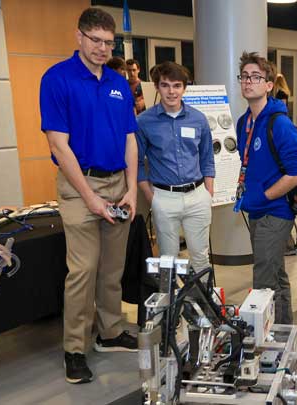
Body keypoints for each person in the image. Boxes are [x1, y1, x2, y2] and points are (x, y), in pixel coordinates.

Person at [40, 7, 138, 384]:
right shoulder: (57, 79)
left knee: (112, 268)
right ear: (78, 36)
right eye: (95, 40)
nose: (101, 48)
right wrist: (90, 198)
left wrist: (130, 189)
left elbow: (130, 139)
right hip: (80, 186)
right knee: (83, 270)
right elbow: (58, 145)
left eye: (108, 42)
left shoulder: (117, 82)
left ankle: (110, 332)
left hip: (118, 184)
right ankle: (75, 348)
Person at [235, 52, 297, 325]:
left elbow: (295, 175)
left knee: (262, 279)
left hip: (275, 211)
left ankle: (263, 342)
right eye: (244, 77)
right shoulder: (244, 122)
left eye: (255, 77)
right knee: (275, 274)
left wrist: (261, 197)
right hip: (256, 210)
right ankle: (283, 329)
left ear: (268, 85)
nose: (248, 82)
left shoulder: (280, 123)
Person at [135, 61, 215, 272]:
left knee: (200, 258)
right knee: (168, 261)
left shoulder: (198, 118)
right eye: (165, 85)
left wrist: (208, 193)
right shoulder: (144, 121)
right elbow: (135, 163)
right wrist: (151, 197)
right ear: (157, 87)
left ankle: (202, 304)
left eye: (177, 85)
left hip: (198, 195)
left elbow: (207, 157)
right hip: (164, 198)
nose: (172, 91)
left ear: (184, 88)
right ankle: (170, 304)